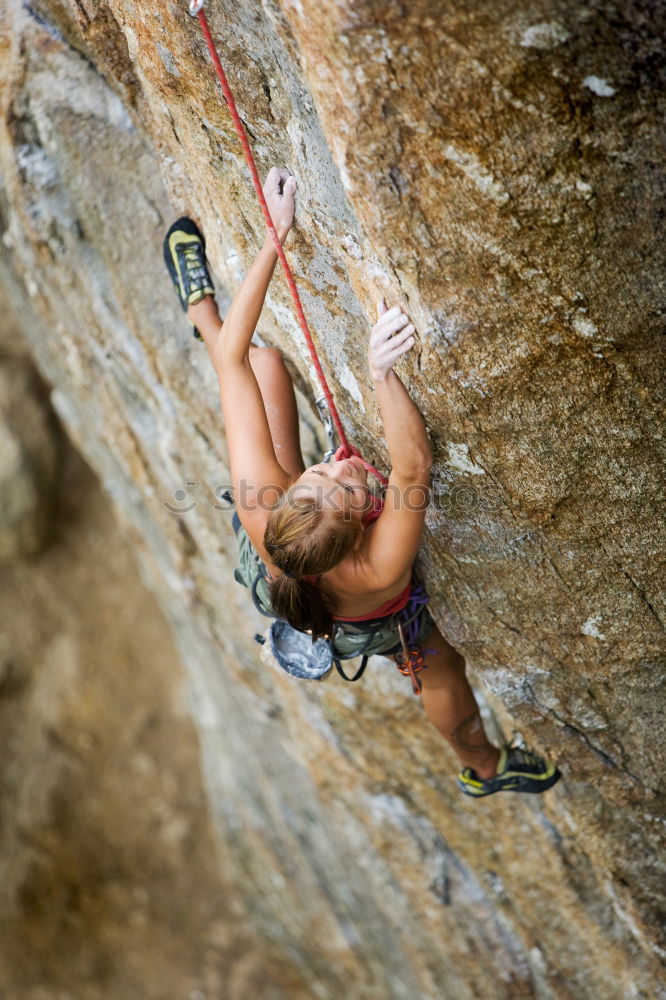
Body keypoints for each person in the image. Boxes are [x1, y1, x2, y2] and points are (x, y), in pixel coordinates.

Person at [164, 166, 561, 797]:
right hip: (366, 618)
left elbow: (236, 361)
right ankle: (485, 770)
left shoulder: (262, 499)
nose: (344, 463)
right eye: (347, 486)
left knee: (261, 364)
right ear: (358, 535)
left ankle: (200, 315)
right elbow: (412, 469)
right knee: (439, 670)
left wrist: (276, 235)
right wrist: (381, 375)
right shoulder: (378, 568)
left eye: (324, 472)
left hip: (287, 563)